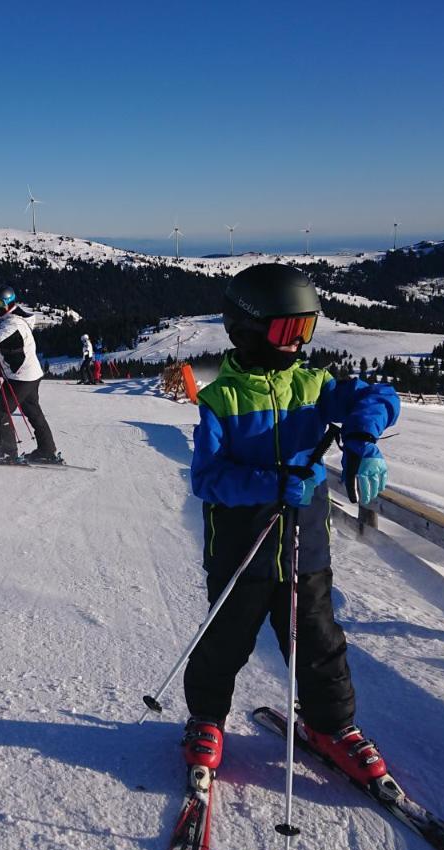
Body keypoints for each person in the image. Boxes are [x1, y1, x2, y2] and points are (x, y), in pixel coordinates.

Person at [181, 263, 400, 786]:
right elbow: (209, 480)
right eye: (287, 331)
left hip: (306, 552)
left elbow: (377, 397)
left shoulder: (315, 384)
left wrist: (362, 441)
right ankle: (207, 718)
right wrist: (273, 483)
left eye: (306, 329)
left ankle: (331, 726)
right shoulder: (221, 401)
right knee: (226, 643)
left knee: (318, 643)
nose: (297, 343)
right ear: (247, 329)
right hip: (242, 555)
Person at [0, 287, 60, 463]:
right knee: (32, 411)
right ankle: (47, 450)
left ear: (9, 302)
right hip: (30, 374)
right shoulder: (13, 319)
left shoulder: (13, 324)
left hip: (21, 377)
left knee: (0, 411)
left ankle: (8, 452)